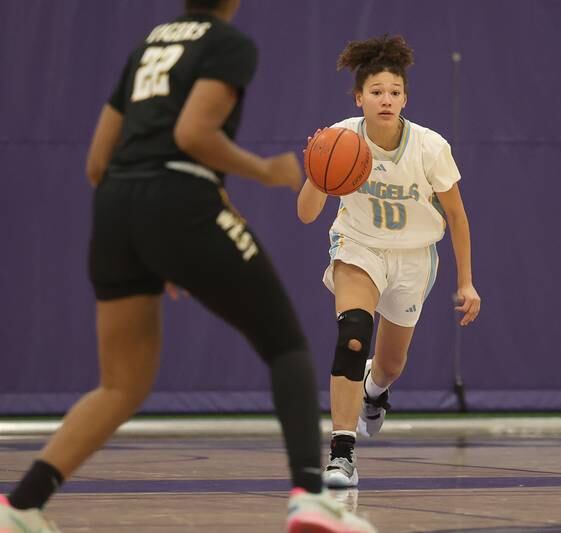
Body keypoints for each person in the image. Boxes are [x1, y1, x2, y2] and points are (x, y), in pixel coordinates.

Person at [0, 1, 375, 532]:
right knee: (286, 343)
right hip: (176, 200)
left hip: (114, 209)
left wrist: (158, 242)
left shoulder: (149, 43)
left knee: (121, 385)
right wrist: (263, 170)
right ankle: (310, 497)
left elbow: (96, 162)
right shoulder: (227, 44)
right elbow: (192, 135)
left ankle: (20, 506)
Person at [297, 35, 481, 488]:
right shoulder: (339, 137)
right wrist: (318, 173)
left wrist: (467, 283)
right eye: (376, 91)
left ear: (405, 98)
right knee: (353, 337)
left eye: (394, 91)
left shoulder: (429, 147)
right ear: (359, 97)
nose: (386, 99)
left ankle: (375, 393)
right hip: (359, 248)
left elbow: (456, 216)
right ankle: (342, 453)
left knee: (389, 364)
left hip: (413, 256)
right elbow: (305, 215)